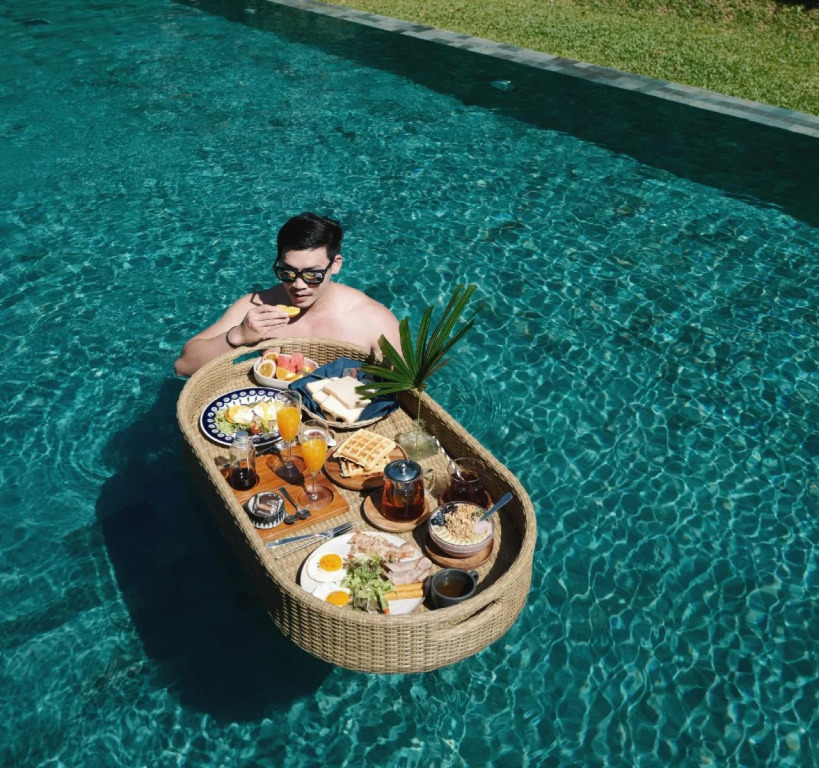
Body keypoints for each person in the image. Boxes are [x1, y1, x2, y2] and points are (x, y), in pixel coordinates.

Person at [174, 213, 401, 377]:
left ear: (335, 265)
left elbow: (410, 389)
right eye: (287, 272)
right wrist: (239, 335)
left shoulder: (372, 320)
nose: (298, 285)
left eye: (312, 275)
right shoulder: (257, 307)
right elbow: (183, 367)